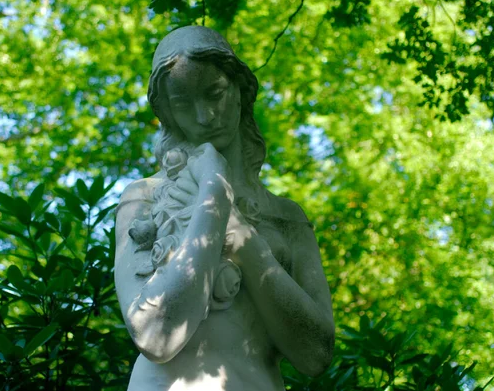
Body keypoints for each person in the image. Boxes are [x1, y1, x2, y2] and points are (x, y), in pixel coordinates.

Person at [114, 26, 334, 391]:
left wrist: (240, 238)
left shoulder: (286, 217)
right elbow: (155, 336)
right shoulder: (144, 200)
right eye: (183, 102)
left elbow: (316, 353)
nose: (204, 116)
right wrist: (214, 190)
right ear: (167, 111)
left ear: (240, 91)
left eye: (214, 93)